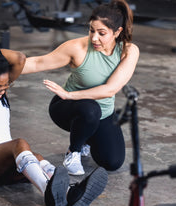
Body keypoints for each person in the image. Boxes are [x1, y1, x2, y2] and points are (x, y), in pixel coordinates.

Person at [0, 41, 108, 206]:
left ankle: (71, 194)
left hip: (4, 165)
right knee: (20, 144)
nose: (0, 91)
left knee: (37, 158)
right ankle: (49, 194)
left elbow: (19, 58)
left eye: (5, 86)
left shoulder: (1, 93)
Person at [22, 0, 139, 176]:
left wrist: (70, 94)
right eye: (91, 30)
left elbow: (110, 89)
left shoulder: (128, 51)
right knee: (90, 109)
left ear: (117, 32)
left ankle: (85, 138)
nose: (94, 38)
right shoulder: (77, 48)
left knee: (112, 162)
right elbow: (38, 62)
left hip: (95, 109)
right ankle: (73, 152)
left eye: (101, 33)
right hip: (66, 109)